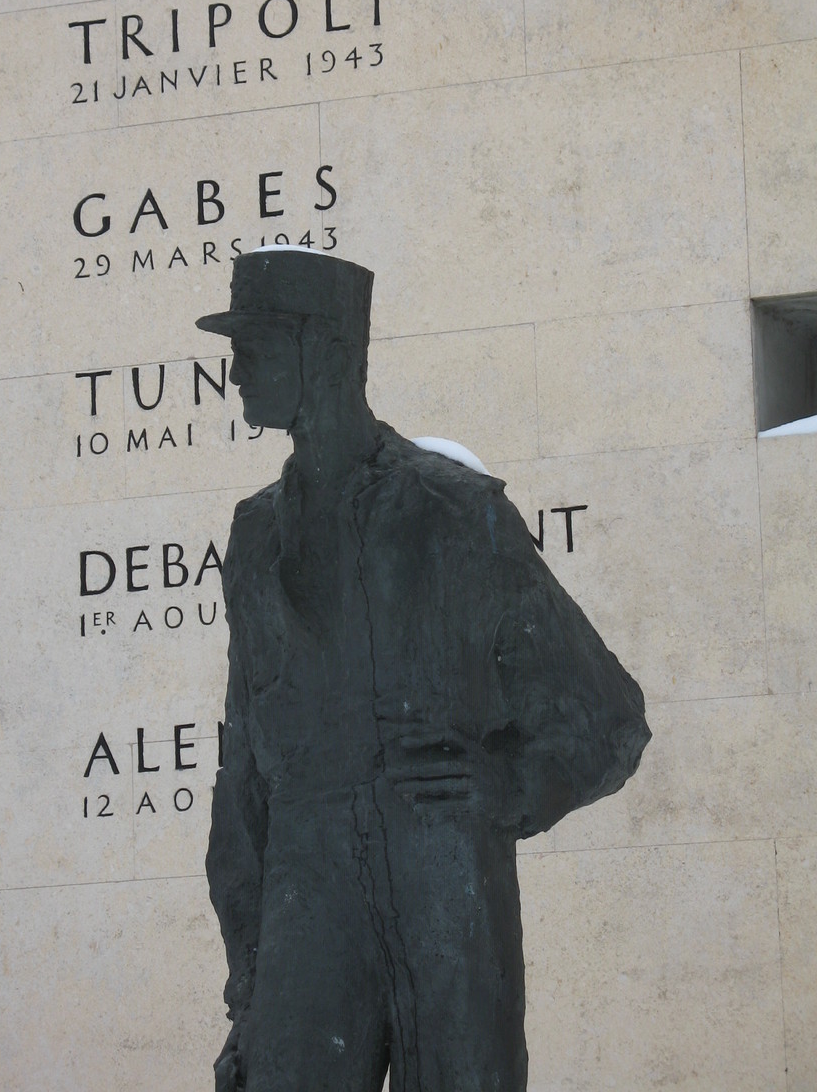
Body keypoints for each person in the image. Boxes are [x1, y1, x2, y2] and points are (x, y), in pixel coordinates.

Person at [197, 248, 650, 1092]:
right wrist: (248, 986)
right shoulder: (255, 535)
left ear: (324, 352)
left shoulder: (453, 514)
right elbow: (243, 778)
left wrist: (508, 786)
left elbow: (606, 715)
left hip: (444, 887)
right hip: (306, 904)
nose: (235, 379)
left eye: (251, 351)